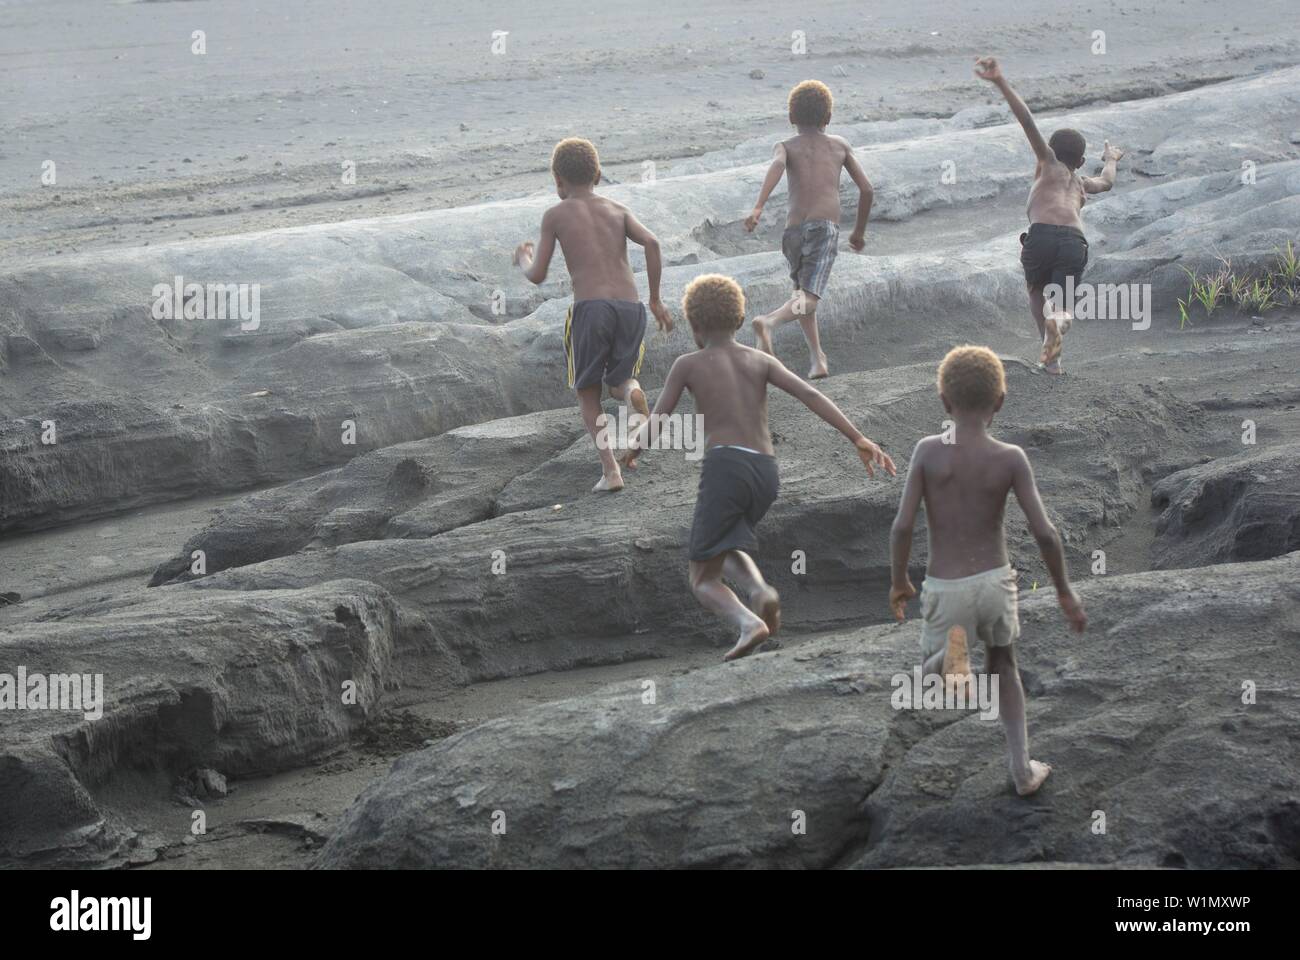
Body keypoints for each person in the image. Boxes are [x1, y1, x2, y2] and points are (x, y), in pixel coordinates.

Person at [623, 273, 895, 660]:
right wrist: (858, 438)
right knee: (726, 540)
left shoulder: (687, 364)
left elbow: (660, 418)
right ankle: (761, 591)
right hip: (765, 473)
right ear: (739, 319)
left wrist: (634, 449)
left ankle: (749, 622)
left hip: (724, 468)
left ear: (695, 326)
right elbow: (809, 393)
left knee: (702, 576)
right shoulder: (760, 359)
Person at [889, 345, 1087, 795]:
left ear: (944, 402)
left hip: (945, 585)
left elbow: (901, 526)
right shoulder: (1011, 457)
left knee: (935, 669)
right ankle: (1022, 770)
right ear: (1000, 401)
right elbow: (1046, 533)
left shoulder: (926, 452)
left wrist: (900, 580)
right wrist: (1064, 591)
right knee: (1004, 665)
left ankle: (939, 665)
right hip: (996, 583)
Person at [514, 137, 673, 491]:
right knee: (619, 381)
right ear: (598, 174)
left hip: (591, 308)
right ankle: (631, 391)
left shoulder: (555, 215)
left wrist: (524, 259)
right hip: (630, 309)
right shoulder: (617, 209)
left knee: (588, 393)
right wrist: (656, 299)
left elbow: (538, 275)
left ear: (557, 180)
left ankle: (610, 472)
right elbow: (653, 243)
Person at [975, 56, 1123, 374]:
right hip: (1073, 239)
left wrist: (1000, 81)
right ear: (1081, 161)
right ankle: (1054, 355)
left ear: (1049, 152)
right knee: (1063, 305)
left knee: (1036, 293)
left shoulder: (1048, 163)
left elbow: (1027, 121)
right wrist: (1111, 157)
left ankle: (1050, 347)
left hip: (1040, 235)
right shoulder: (1083, 183)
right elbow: (1108, 181)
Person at [745, 80, 874, 380]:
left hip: (792, 232)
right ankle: (769, 322)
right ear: (828, 118)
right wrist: (858, 232)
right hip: (822, 228)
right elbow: (866, 190)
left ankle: (818, 359)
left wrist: (759, 206)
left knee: (802, 296)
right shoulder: (840, 145)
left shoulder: (785, 146)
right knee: (810, 298)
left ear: (791, 117)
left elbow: (777, 166)